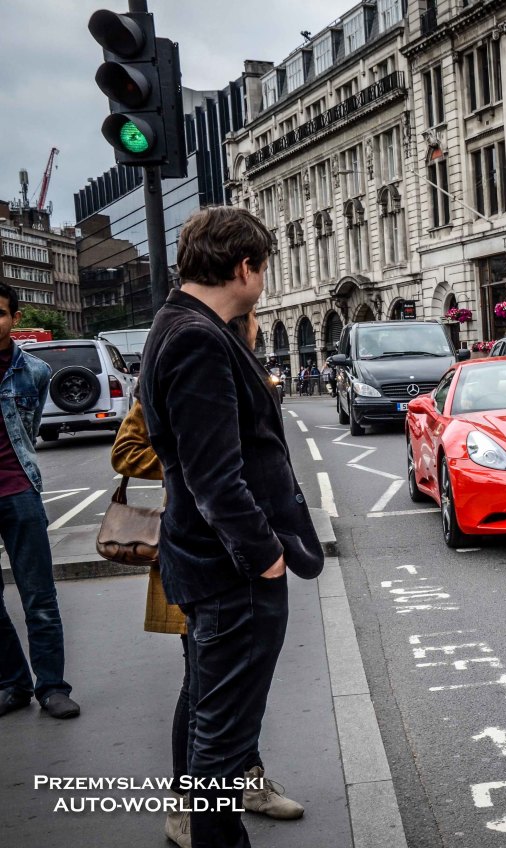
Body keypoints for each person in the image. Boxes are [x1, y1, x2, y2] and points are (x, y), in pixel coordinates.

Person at [141, 206, 324, 847]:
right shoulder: (197, 338)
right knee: (222, 745)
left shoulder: (178, 325)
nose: (264, 281)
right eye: (264, 268)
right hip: (230, 573)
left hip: (207, 565)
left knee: (205, 711)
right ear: (245, 266)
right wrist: (265, 556)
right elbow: (214, 477)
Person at [114, 308, 304, 848]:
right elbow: (126, 449)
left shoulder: (241, 368)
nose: (254, 334)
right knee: (201, 686)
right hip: (197, 545)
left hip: (236, 546)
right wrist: (192, 454)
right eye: (250, 325)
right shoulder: (191, 358)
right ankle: (187, 809)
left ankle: (244, 781)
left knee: (230, 687)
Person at [0, 283, 78, 720]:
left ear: (14, 318)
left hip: (19, 492)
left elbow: (26, 431)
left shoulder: (34, 372)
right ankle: (12, 683)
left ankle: (52, 687)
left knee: (39, 597)